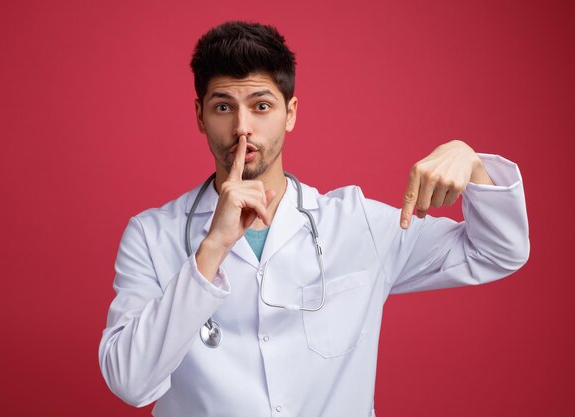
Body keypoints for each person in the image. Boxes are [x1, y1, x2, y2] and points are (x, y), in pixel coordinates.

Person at [98, 21, 529, 417]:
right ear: (200, 116)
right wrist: (211, 250)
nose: (243, 129)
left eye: (262, 105)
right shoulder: (152, 236)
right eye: (224, 108)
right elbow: (130, 383)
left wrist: (471, 163)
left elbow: (499, 250)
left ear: (291, 113)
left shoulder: (357, 224)